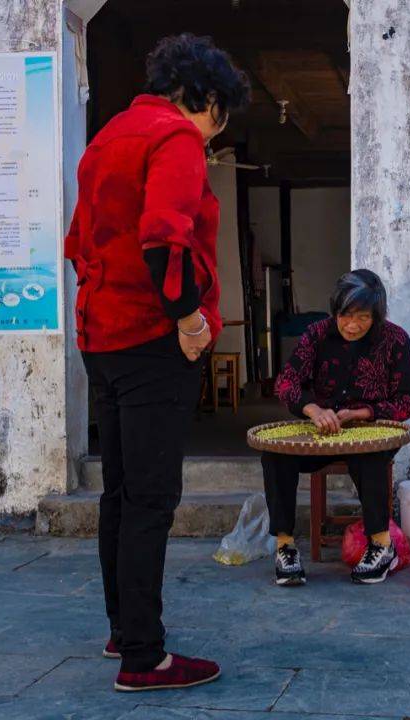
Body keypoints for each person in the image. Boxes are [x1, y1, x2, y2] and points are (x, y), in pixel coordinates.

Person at [65, 33, 250, 692]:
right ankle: (146, 656)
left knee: (120, 491)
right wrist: (192, 322)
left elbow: (78, 243)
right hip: (151, 340)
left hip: (101, 335)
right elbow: (164, 240)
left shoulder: (108, 137)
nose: (211, 134)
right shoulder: (172, 139)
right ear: (201, 98)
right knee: (150, 499)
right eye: (216, 118)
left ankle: (125, 628)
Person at [264, 270, 410, 586]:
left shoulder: (395, 340)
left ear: (377, 316)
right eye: (345, 316)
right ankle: (285, 547)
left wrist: (361, 413)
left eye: (363, 317)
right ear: (335, 312)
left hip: (373, 428)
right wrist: (314, 410)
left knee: (370, 456)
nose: (352, 325)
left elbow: (407, 401)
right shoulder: (317, 334)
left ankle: (380, 544)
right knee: (276, 454)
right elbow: (286, 383)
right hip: (323, 433)